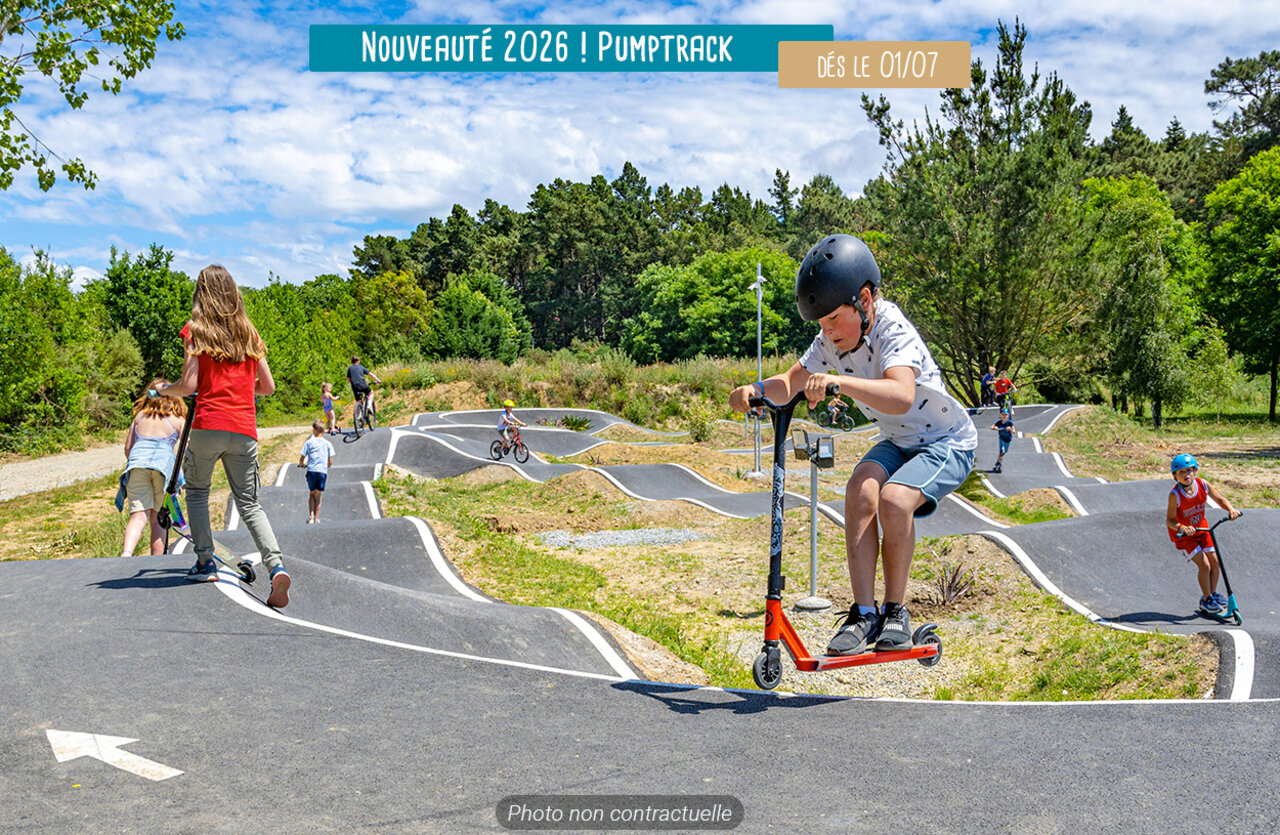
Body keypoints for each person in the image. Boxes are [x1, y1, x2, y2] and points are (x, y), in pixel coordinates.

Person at [729, 234, 977, 656]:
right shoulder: (830, 342)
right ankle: (864, 614)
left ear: (863, 301)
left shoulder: (892, 328)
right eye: (820, 324)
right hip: (899, 440)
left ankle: (896, 612)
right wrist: (755, 389)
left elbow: (900, 395)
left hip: (946, 441)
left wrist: (838, 383)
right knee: (859, 490)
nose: (826, 331)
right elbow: (790, 382)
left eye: (832, 319)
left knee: (895, 500)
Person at [154, 265, 291, 608]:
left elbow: (189, 385)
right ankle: (276, 566)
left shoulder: (195, 330)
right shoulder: (249, 332)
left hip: (209, 423)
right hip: (243, 428)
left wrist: (164, 389)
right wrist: (241, 387)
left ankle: (205, 563)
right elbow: (268, 387)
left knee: (198, 492)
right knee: (249, 503)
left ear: (201, 293)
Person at [116, 379, 188, 557]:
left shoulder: (140, 417)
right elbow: (186, 451)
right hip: (163, 470)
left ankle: (126, 554)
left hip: (137, 467)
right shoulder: (177, 419)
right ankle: (156, 559)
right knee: (158, 519)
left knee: (138, 516)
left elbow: (128, 449)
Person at [1166, 453, 1241, 615]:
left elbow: (1219, 499)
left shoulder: (1203, 484)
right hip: (1184, 536)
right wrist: (1182, 527)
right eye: (1181, 472)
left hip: (1202, 530)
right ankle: (1206, 599)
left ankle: (1212, 594)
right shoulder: (1175, 495)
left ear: (1195, 471)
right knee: (1204, 565)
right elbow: (1169, 520)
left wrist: (1231, 509)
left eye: (1189, 470)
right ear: (1175, 476)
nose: (1186, 475)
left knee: (1215, 562)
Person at [299, 419, 335, 524]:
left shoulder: (309, 443)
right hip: (322, 471)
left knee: (312, 493)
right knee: (318, 495)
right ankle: (317, 518)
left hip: (311, 471)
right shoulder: (328, 444)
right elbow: (330, 460)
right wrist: (328, 465)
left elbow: (302, 458)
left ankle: (310, 516)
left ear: (314, 430)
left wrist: (302, 464)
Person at [346, 356, 382, 425]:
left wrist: (353, 383)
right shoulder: (361, 367)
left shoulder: (350, 368)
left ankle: (358, 417)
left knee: (358, 401)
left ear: (351, 362)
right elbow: (370, 374)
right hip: (363, 384)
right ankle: (369, 405)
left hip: (355, 386)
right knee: (370, 393)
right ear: (358, 361)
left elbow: (348, 380)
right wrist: (378, 380)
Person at [989, 408, 1015, 473]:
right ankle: (998, 463)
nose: (1004, 416)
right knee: (1001, 451)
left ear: (1008, 415)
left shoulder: (1009, 423)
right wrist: (995, 428)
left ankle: (998, 461)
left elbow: (1014, 431)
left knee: (1005, 451)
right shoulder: (999, 422)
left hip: (1008, 439)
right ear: (1000, 415)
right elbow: (991, 427)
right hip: (1001, 439)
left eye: (1005, 415)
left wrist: (1010, 429)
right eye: (1003, 415)